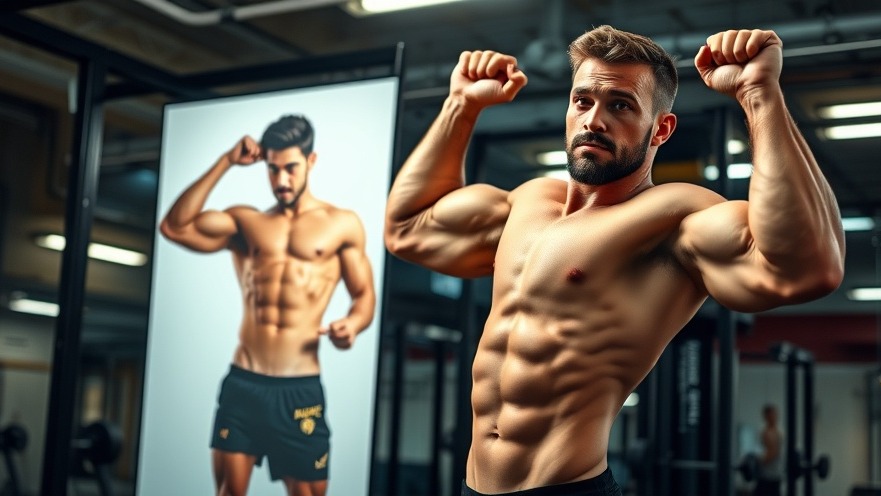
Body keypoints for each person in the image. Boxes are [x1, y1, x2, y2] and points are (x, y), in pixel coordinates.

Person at [384, 25, 844, 496]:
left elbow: (810, 266)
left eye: (620, 106)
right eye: (582, 101)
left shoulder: (673, 218)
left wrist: (757, 94)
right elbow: (406, 229)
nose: (593, 120)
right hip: (470, 487)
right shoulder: (525, 203)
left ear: (660, 129)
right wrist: (461, 105)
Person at [160, 114, 376, 496]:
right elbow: (175, 227)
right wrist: (226, 160)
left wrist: (352, 325)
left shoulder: (342, 224)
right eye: (272, 170)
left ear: (311, 161)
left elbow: (363, 296)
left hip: (299, 389)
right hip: (244, 382)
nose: (281, 180)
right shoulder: (247, 223)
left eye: (290, 168)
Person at [754, 404, 783, 496]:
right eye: (771, 415)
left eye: (775, 414)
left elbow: (774, 453)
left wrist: (761, 460)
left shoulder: (780, 432)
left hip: (775, 477)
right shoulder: (764, 432)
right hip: (765, 477)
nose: (774, 417)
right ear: (766, 416)